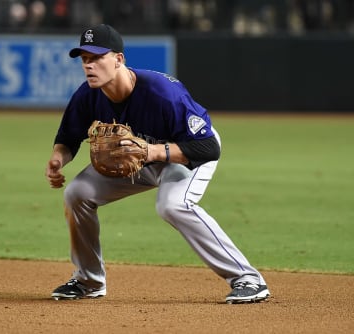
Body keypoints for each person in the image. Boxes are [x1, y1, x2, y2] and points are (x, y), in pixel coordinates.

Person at [45, 23, 270, 304]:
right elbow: (68, 138)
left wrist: (152, 152)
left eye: (97, 58)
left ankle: (247, 279)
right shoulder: (87, 94)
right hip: (137, 158)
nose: (89, 66)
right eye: (85, 60)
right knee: (76, 193)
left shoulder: (162, 93)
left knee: (172, 205)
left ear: (118, 59)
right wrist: (58, 158)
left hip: (183, 155)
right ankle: (88, 281)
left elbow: (208, 148)